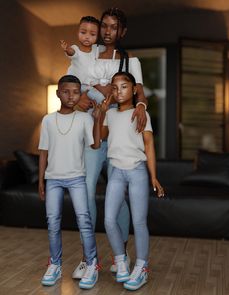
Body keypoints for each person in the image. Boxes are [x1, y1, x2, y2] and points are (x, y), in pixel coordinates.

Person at [71, 7, 149, 278]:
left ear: (122, 32)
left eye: (113, 27)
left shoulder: (131, 61)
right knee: (88, 189)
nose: (106, 31)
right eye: (104, 25)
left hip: (118, 135)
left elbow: (140, 93)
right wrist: (81, 98)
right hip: (92, 131)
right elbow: (73, 86)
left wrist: (140, 104)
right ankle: (88, 257)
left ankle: (122, 254)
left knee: (121, 195)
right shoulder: (87, 54)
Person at [94, 71, 164, 290]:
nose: (118, 91)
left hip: (136, 172)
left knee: (139, 221)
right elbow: (98, 141)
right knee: (108, 220)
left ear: (134, 90)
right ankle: (121, 260)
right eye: (114, 88)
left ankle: (142, 267)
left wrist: (154, 176)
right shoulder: (111, 114)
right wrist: (100, 115)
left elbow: (150, 146)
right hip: (116, 172)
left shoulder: (141, 113)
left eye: (124, 86)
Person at [38, 75, 101, 289]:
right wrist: (41, 181)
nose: (71, 96)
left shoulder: (85, 119)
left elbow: (94, 146)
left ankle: (92, 264)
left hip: (76, 178)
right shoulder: (47, 120)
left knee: (84, 220)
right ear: (58, 93)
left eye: (76, 92)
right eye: (66, 91)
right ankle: (54, 265)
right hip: (53, 179)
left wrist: (98, 118)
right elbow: (43, 152)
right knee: (52, 222)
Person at [60, 16, 104, 105]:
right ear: (78, 33)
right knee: (98, 99)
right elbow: (72, 53)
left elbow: (108, 50)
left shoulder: (97, 49)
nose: (87, 37)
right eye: (83, 32)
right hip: (75, 85)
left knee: (101, 98)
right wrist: (67, 49)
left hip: (90, 86)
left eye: (92, 34)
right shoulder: (76, 49)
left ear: (97, 36)